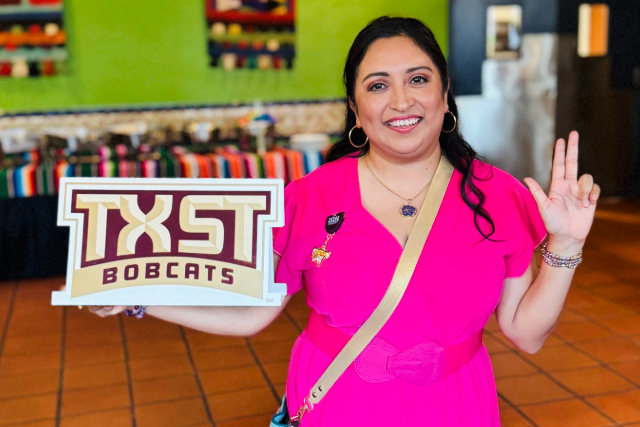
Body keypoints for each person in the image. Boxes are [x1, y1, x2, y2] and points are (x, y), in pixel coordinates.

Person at [89, 16, 600, 426]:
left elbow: (526, 334)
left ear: (445, 95)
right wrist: (138, 296)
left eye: (418, 79)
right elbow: (251, 314)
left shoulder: (496, 196)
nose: (401, 101)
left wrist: (566, 244)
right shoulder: (310, 197)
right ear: (356, 109)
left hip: (454, 404)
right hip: (339, 400)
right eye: (378, 85)